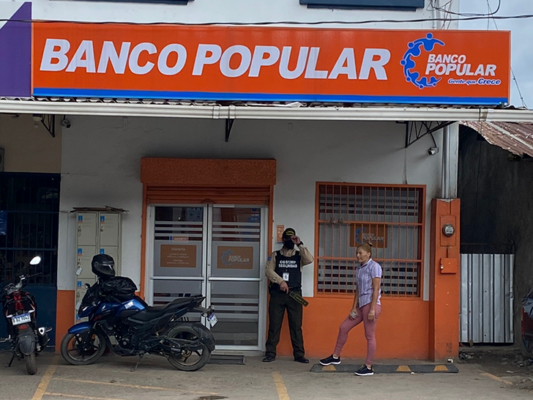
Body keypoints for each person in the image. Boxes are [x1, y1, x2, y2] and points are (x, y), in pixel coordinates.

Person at [319, 242, 382, 376]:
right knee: (343, 327)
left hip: (371, 304)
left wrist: (372, 309)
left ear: (368, 254)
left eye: (360, 253)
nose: (358, 255)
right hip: (361, 305)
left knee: (369, 336)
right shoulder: (359, 269)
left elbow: (376, 288)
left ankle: (368, 366)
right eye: (357, 253)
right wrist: (353, 308)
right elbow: (358, 290)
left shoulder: (374, 266)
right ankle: (335, 356)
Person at [263, 228, 314, 363]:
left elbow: (310, 259)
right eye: (288, 238)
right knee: (274, 325)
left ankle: (299, 354)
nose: (290, 241)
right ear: (283, 239)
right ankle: (270, 353)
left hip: (294, 294)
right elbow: (268, 271)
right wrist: (280, 281)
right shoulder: (275, 255)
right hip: (277, 294)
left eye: (292, 238)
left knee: (296, 326)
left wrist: (300, 244)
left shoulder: (299, 255)